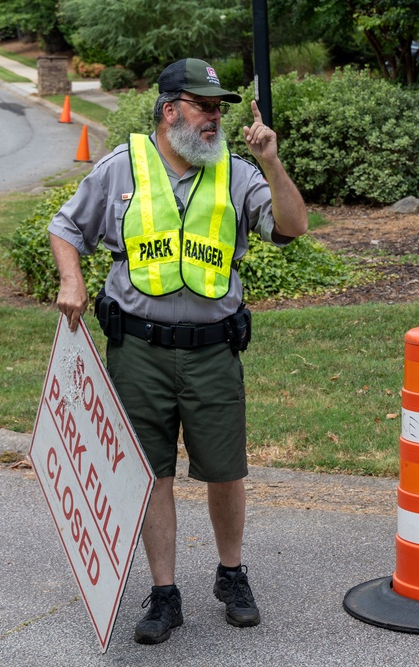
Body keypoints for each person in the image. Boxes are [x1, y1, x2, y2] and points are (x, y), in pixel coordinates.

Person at [48, 58, 308, 643]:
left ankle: (231, 573)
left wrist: (270, 158)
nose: (217, 117)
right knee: (152, 474)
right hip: (137, 350)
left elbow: (293, 227)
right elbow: (65, 228)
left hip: (214, 350)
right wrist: (72, 280)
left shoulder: (236, 173)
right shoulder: (122, 168)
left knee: (225, 471)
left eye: (220, 107)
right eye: (205, 106)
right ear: (171, 111)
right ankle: (165, 594)